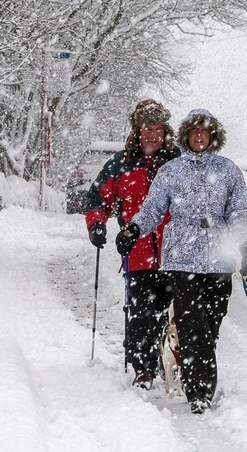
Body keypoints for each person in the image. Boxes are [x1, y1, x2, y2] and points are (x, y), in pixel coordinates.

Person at [116, 109, 247, 414]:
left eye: (204, 131)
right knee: (192, 325)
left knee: (211, 325)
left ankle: (198, 375)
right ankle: (199, 393)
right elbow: (153, 209)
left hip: (218, 260)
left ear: (213, 136)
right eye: (194, 131)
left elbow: (238, 214)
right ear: (185, 136)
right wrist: (134, 230)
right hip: (181, 260)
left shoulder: (228, 171)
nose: (199, 136)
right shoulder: (171, 171)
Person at [85, 99, 180, 389]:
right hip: (137, 252)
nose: (153, 135)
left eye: (158, 129)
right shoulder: (121, 164)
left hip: (176, 252)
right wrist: (96, 223)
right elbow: (97, 197)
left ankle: (172, 363)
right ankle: (143, 368)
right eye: (147, 129)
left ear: (166, 131)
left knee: (175, 314)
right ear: (137, 130)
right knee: (140, 314)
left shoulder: (177, 161)